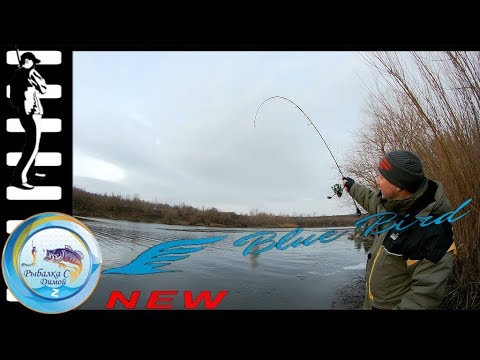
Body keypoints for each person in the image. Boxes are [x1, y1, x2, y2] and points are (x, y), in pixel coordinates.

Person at [342, 150, 456, 310]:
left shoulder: (432, 230)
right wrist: (352, 187)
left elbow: (423, 297)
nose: (377, 181)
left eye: (382, 177)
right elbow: (371, 200)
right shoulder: (393, 203)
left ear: (399, 185)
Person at [9, 51, 47, 190]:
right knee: (32, 146)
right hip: (30, 112)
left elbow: (43, 89)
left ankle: (30, 171)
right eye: (32, 61)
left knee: (33, 144)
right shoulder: (25, 74)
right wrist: (29, 72)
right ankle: (19, 178)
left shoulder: (22, 74)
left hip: (29, 112)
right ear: (28, 61)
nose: (34, 64)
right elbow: (43, 88)